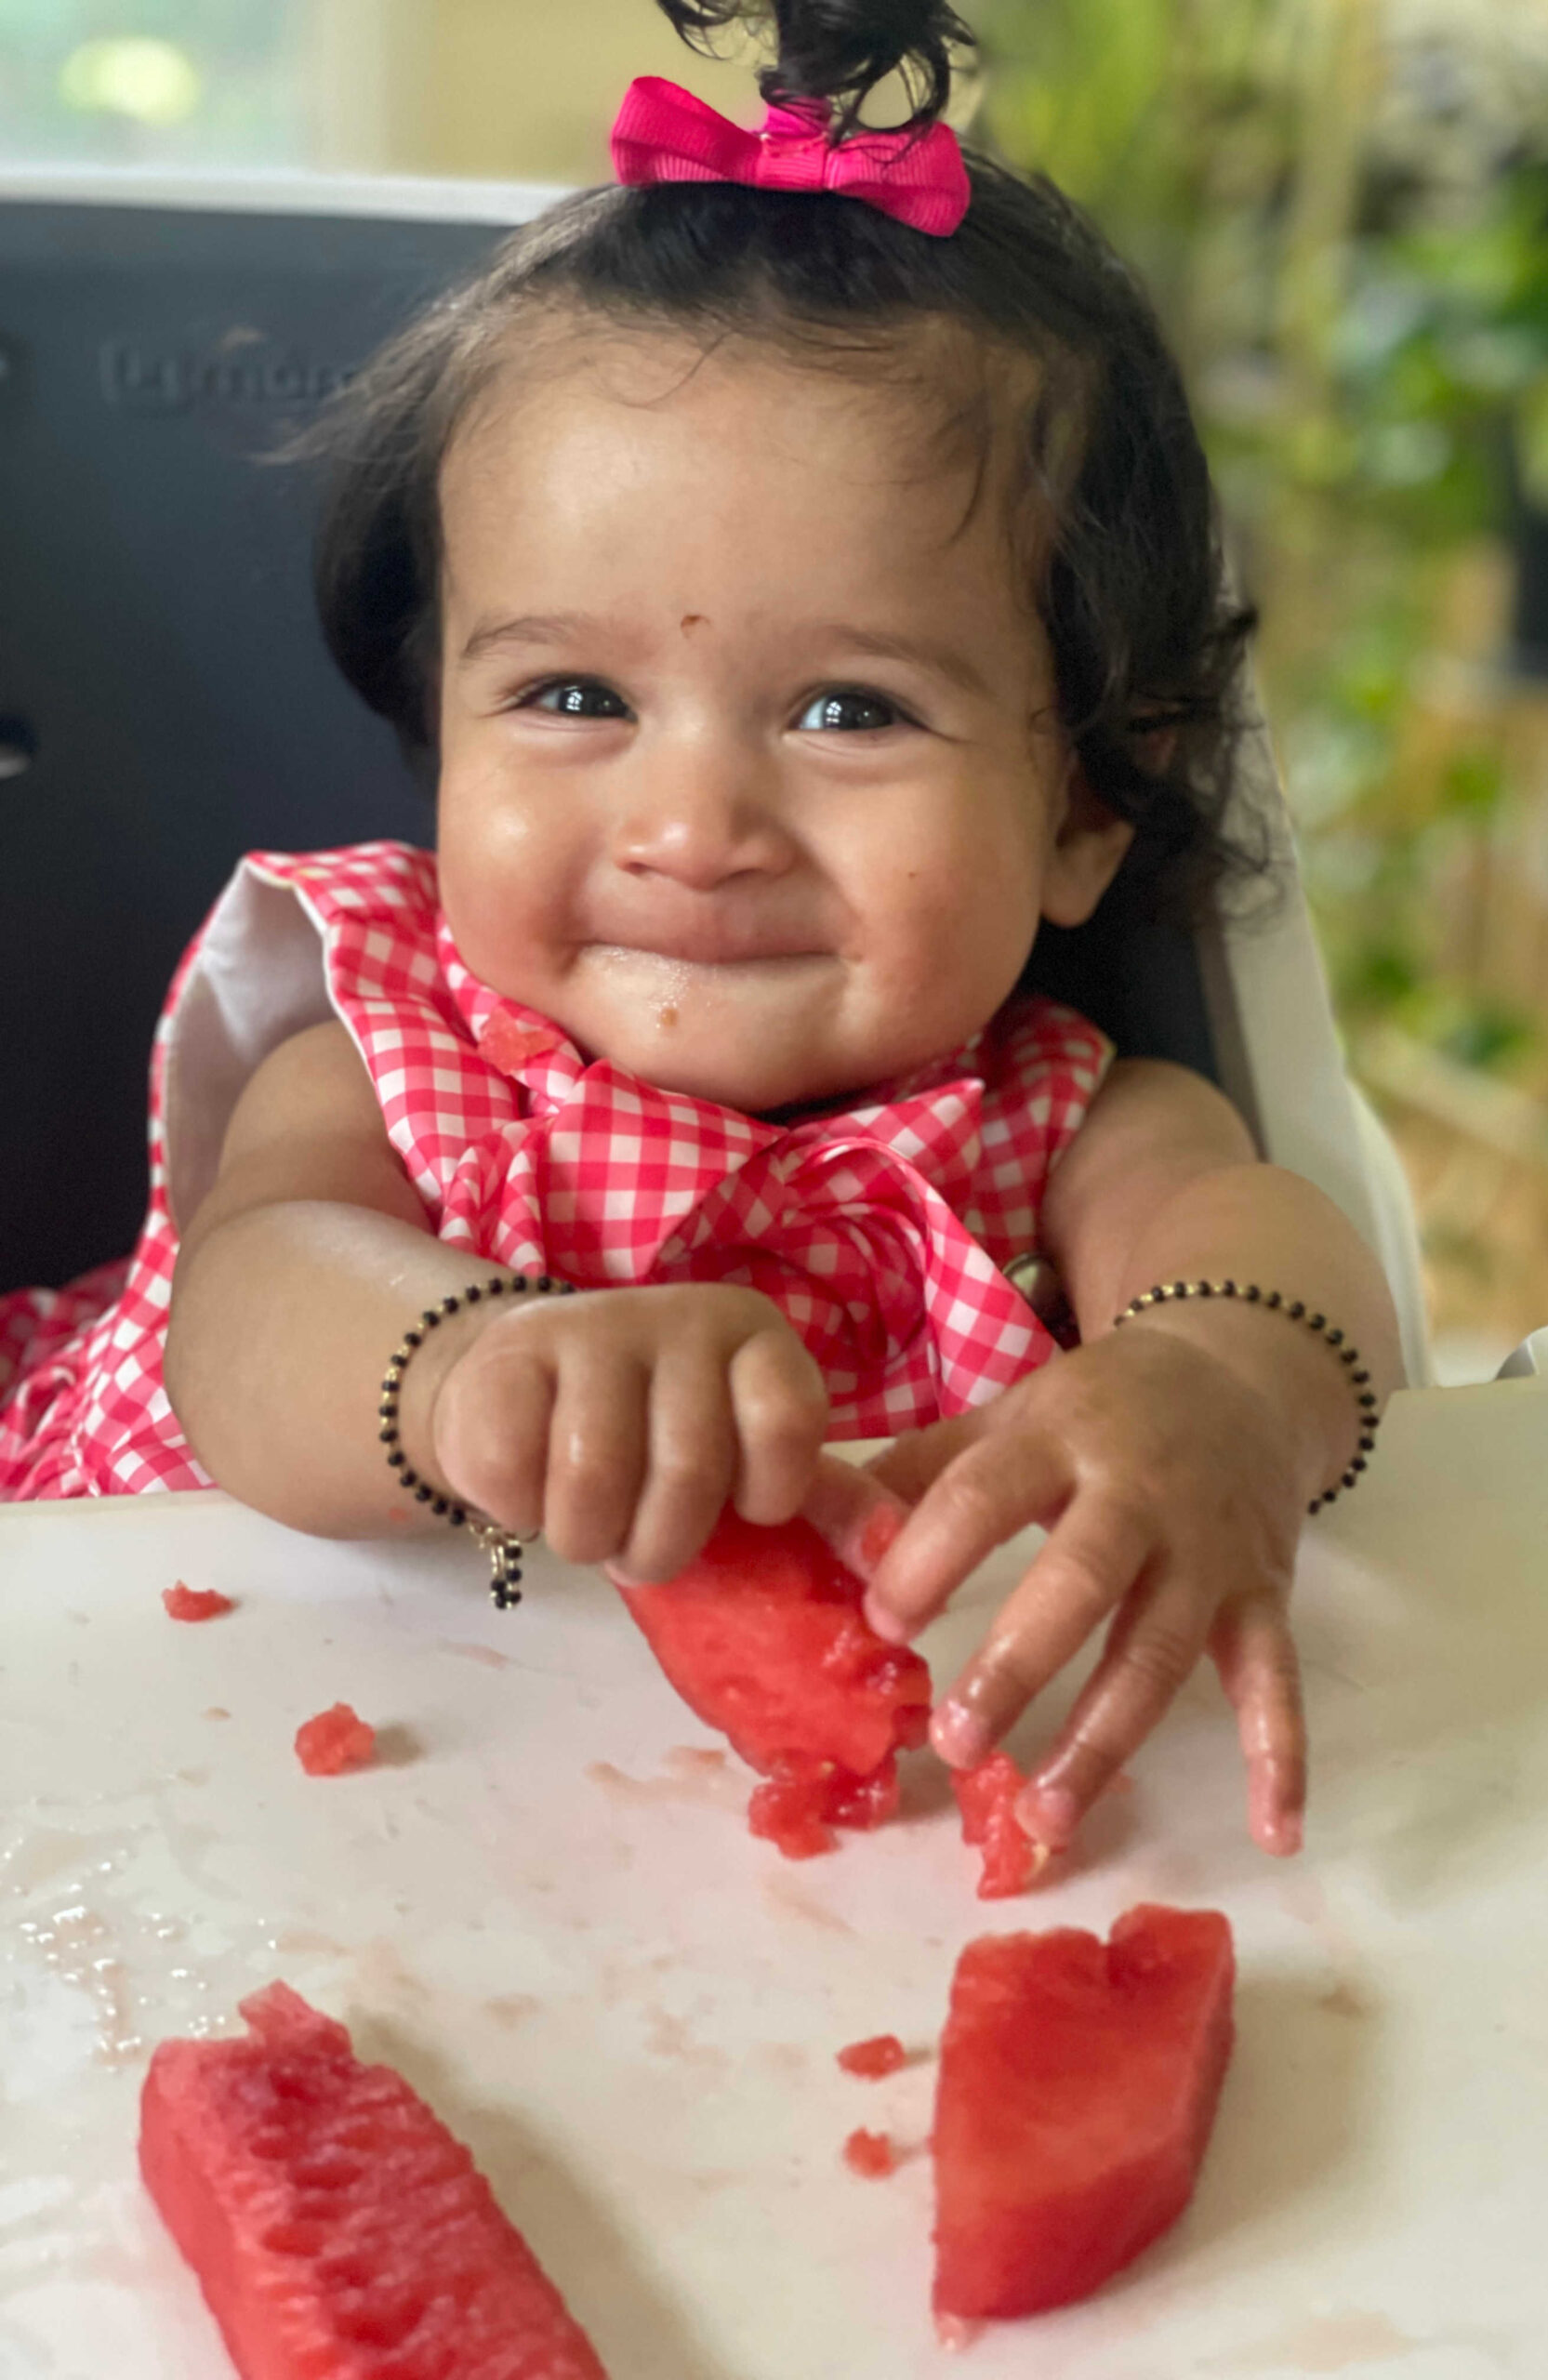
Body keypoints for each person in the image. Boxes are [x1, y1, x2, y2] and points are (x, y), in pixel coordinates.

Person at [0, 0, 1404, 1859]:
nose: (692, 830)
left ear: (1082, 802)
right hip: (220, 1800)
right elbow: (254, 1302)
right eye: (573, 696)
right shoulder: (398, 1040)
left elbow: (1266, 1259)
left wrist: (1212, 1386)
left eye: (849, 712)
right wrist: (479, 1366)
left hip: (781, 1885)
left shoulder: (1061, 1114)